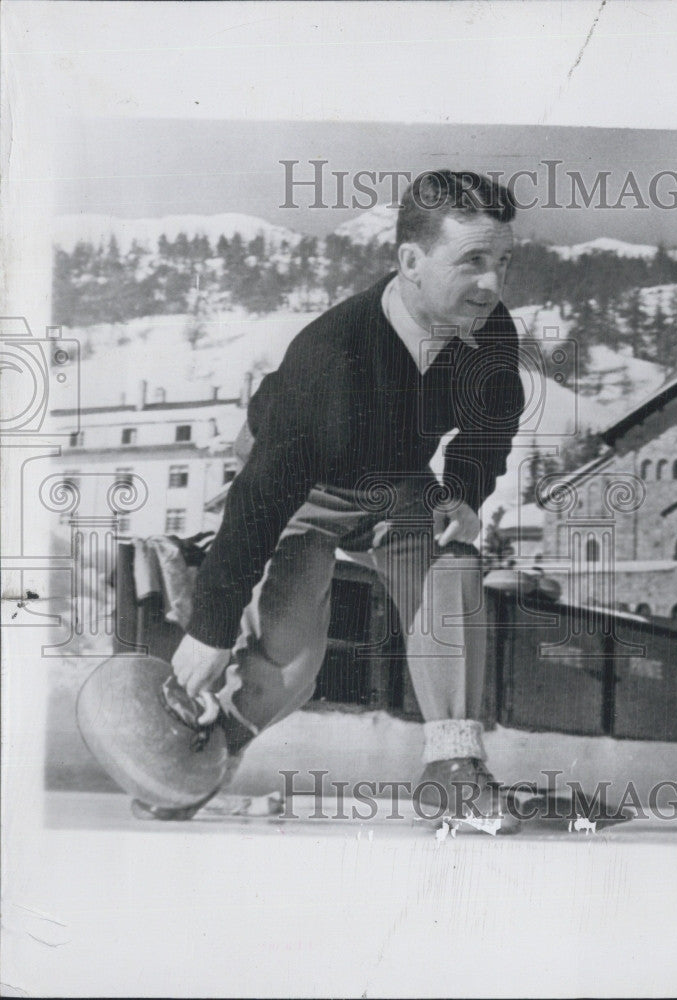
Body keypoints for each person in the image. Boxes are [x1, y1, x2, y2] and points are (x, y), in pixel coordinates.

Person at [160, 170, 526, 827]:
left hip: (397, 486)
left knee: (454, 567)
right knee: (292, 656)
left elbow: (489, 424)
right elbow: (262, 498)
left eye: (503, 261)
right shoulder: (330, 361)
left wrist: (464, 495)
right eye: (472, 262)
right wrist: (210, 629)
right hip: (301, 484)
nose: (492, 284)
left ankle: (453, 770)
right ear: (410, 262)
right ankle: (204, 754)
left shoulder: (490, 332)